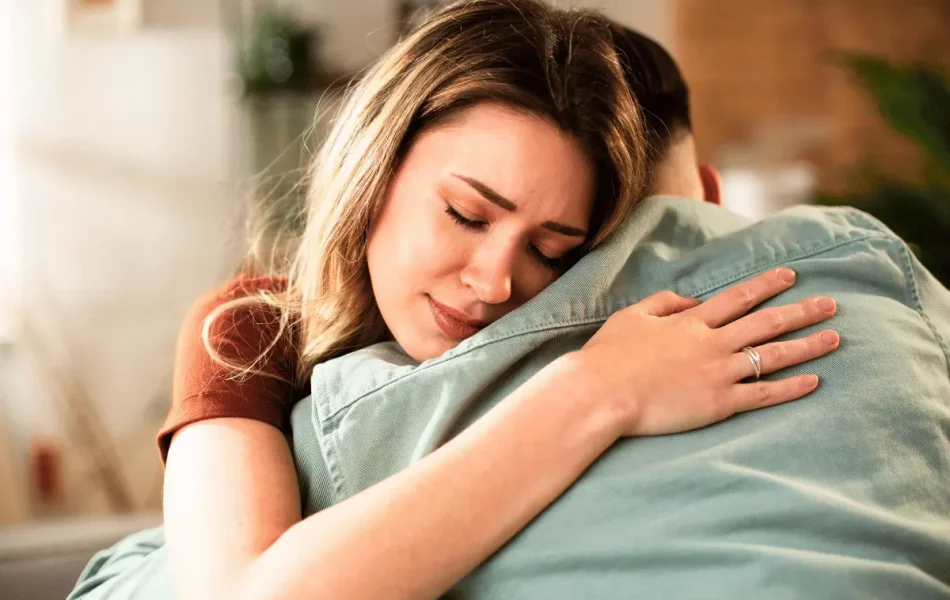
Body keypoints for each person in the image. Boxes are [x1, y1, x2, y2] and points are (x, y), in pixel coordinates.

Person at [68, 3, 843, 599]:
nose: (496, 282)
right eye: (466, 214)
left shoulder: (583, 314)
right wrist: (600, 391)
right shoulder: (251, 328)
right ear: (376, 170)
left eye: (550, 249)